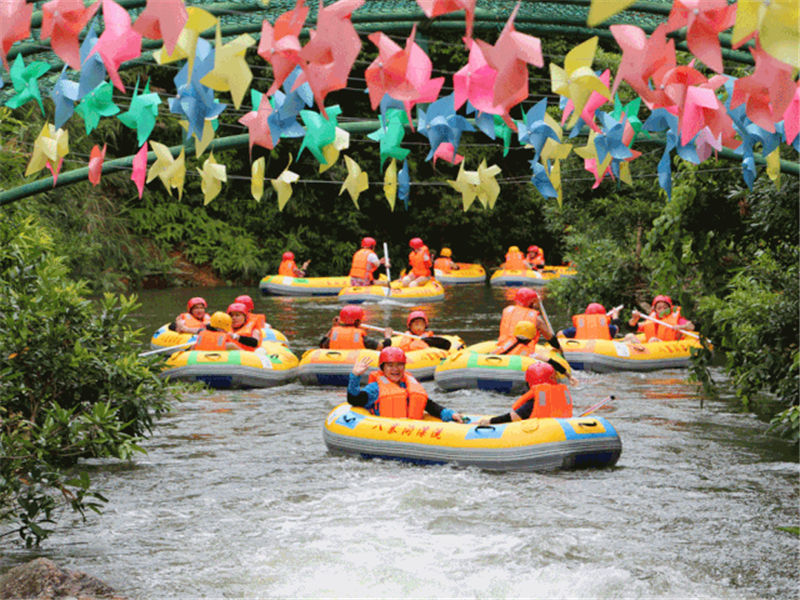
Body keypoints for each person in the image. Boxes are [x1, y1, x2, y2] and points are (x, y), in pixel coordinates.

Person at [348, 347, 464, 422]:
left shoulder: (409, 385)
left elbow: (429, 405)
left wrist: (450, 414)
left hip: (410, 431)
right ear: (383, 368)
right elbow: (355, 400)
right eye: (390, 365)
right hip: (386, 431)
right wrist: (355, 377)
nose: (395, 369)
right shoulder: (375, 388)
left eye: (399, 365)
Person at [477, 362, 573, 425]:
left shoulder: (536, 399)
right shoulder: (561, 394)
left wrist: (490, 421)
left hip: (541, 433)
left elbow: (514, 417)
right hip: (562, 429)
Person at [492, 320, 574, 381]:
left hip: (495, 368)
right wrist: (569, 376)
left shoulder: (506, 344)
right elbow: (551, 361)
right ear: (532, 336)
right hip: (515, 371)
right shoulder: (530, 353)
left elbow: (493, 353)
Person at [498, 288, 562, 355]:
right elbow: (549, 337)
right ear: (530, 302)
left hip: (502, 349)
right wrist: (559, 349)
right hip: (522, 353)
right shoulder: (536, 319)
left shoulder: (507, 311)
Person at [319, 305, 392, 350]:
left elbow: (322, 344)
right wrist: (388, 336)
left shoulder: (334, 332)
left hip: (336, 361)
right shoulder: (362, 337)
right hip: (354, 362)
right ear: (358, 321)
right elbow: (383, 347)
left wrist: (334, 327)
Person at [628, 295, 695, 342]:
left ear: (670, 308)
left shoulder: (677, 318)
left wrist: (681, 326)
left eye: (665, 307)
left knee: (653, 340)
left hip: (669, 346)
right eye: (659, 308)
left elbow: (692, 326)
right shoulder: (652, 319)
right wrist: (634, 319)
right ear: (655, 310)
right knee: (629, 336)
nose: (662, 310)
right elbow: (632, 327)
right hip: (652, 348)